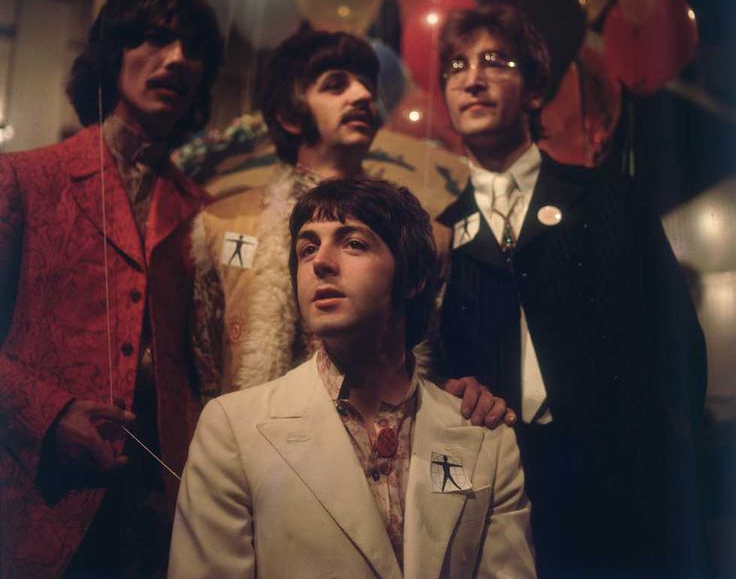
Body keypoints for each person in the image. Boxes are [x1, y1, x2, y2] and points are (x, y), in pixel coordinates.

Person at [434, 3, 708, 577]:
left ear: (535, 91)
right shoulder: (438, 236)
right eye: (456, 66)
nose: (472, 78)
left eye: (494, 61)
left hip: (629, 489)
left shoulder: (609, 198)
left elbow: (678, 340)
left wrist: (673, 452)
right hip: (504, 495)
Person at [170, 178, 536, 579]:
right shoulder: (234, 430)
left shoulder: (485, 435)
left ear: (413, 278)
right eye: (307, 248)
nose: (320, 262)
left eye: (354, 243)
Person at [0, 0, 222, 578]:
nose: (176, 58)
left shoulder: (205, 212)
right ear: (113, 53)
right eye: (154, 38)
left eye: (192, 48)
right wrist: (47, 416)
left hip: (159, 515)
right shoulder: (25, 179)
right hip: (34, 501)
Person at [191, 30, 512, 430]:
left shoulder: (427, 232)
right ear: (289, 116)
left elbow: (441, 362)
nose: (362, 95)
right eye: (335, 85)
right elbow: (201, 372)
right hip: (257, 453)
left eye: (366, 84)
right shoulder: (222, 225)